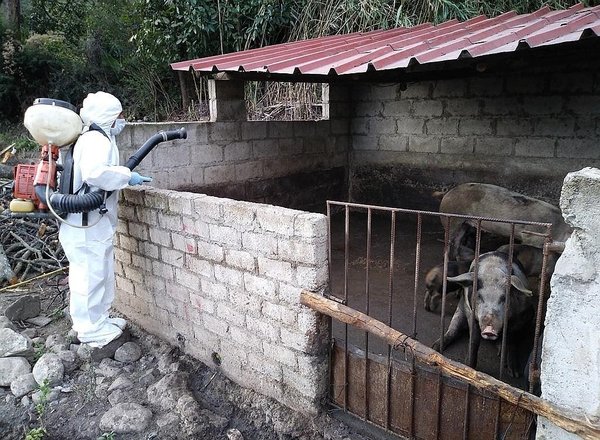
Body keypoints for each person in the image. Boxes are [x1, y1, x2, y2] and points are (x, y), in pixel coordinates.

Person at [58, 91, 151, 348]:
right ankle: (90, 330)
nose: (122, 120)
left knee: (99, 272)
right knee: (90, 276)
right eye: (119, 116)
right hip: (85, 223)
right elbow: (95, 173)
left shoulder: (95, 137)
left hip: (90, 223)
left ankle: (100, 320)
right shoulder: (95, 140)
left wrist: (123, 175)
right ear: (109, 117)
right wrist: (126, 176)